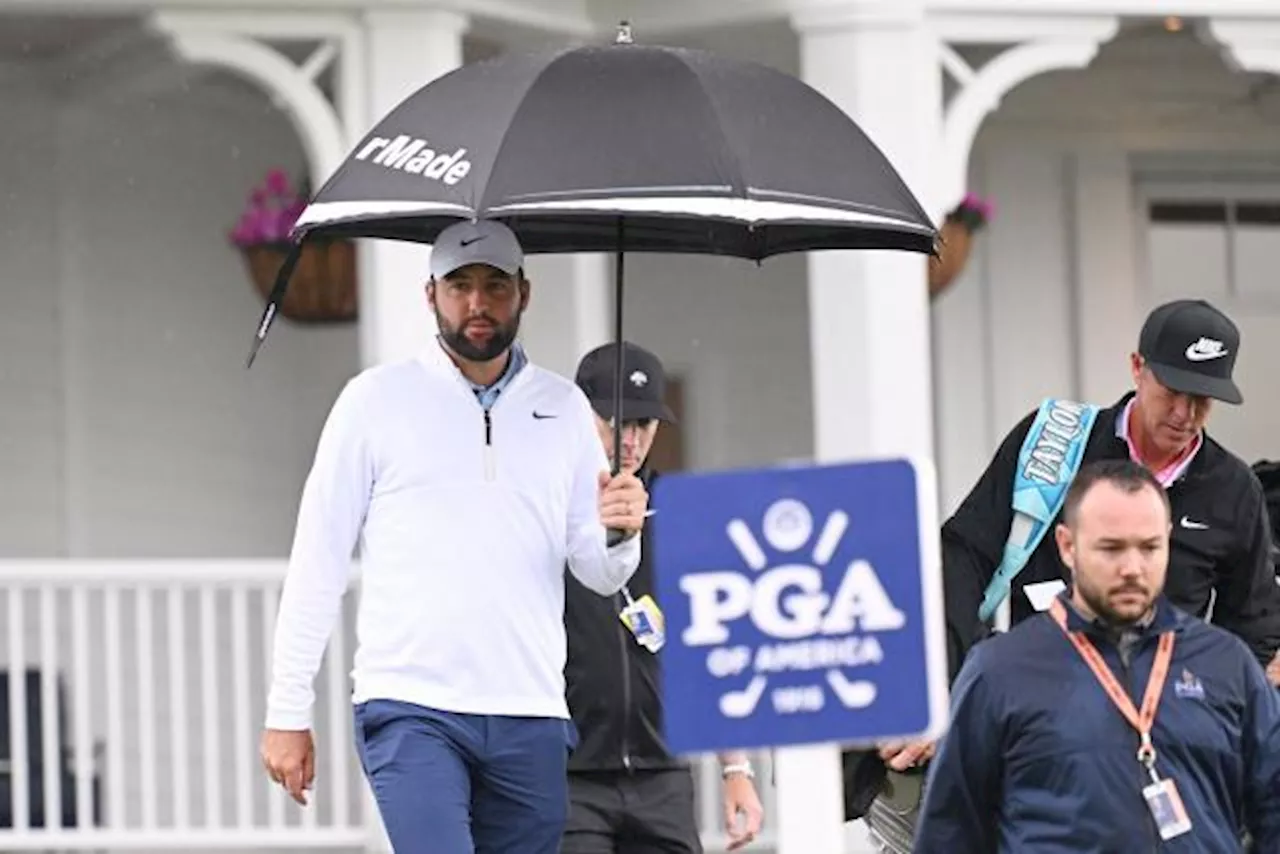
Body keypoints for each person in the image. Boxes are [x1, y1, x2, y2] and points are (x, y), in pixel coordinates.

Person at [258, 219, 651, 854]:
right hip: (411, 705)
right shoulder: (373, 402)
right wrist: (286, 710)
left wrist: (619, 533)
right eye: (459, 285)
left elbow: (596, 571)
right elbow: (318, 561)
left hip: (531, 709)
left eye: (494, 286)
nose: (476, 303)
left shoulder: (565, 409)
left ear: (525, 293)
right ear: (430, 295)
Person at [848, 298, 1280, 848]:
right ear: (1136, 367)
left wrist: (1205, 709)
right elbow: (966, 557)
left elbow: (1254, 620)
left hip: (1165, 727)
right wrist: (935, 692)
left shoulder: (1232, 489)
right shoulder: (1055, 447)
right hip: (1044, 703)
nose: (1185, 413)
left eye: (1204, 399)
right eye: (1172, 390)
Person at [913, 459, 1280, 851]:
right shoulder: (999, 672)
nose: (1132, 568)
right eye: (1112, 548)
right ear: (1067, 546)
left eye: (1149, 547)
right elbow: (949, 836)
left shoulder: (1226, 664)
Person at [561, 341, 765, 854]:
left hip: (664, 773)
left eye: (644, 426)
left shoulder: (682, 521)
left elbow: (710, 648)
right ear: (580, 417)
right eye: (615, 422)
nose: (629, 441)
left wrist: (736, 768)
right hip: (569, 775)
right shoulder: (550, 514)